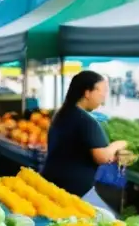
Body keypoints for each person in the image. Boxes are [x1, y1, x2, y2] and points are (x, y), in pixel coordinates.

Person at [42, 70, 128, 212]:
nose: (104, 96)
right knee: (105, 220)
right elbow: (102, 157)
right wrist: (119, 144)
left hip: (51, 182)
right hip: (74, 191)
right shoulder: (85, 121)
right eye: (102, 91)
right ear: (87, 93)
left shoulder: (62, 114)